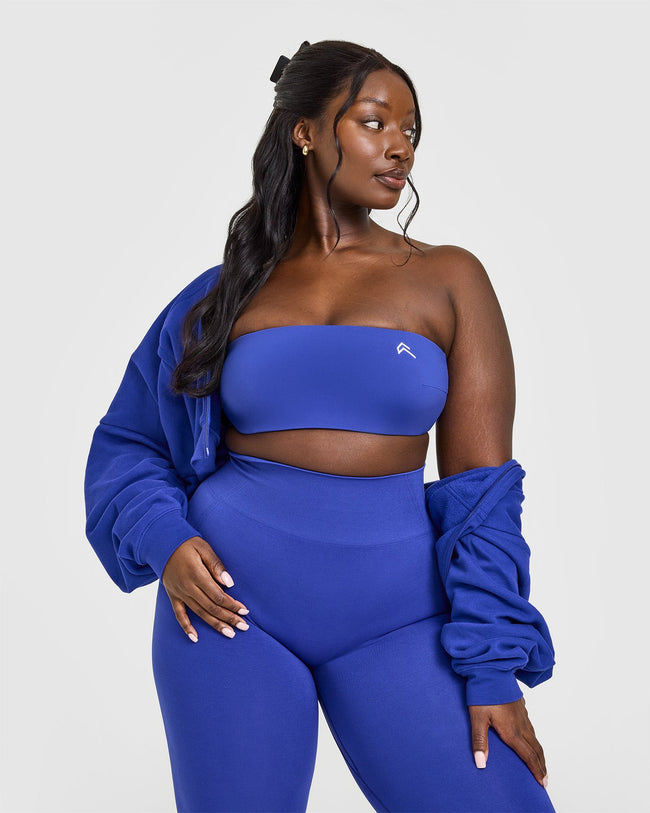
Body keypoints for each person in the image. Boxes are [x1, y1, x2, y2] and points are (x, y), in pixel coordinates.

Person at [84, 39, 556, 813]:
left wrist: (493, 666)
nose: (400, 146)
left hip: (401, 618)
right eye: (375, 122)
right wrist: (165, 540)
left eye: (411, 130)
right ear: (305, 131)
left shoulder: (449, 280)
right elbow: (131, 442)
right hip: (231, 613)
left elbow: (481, 494)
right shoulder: (222, 295)